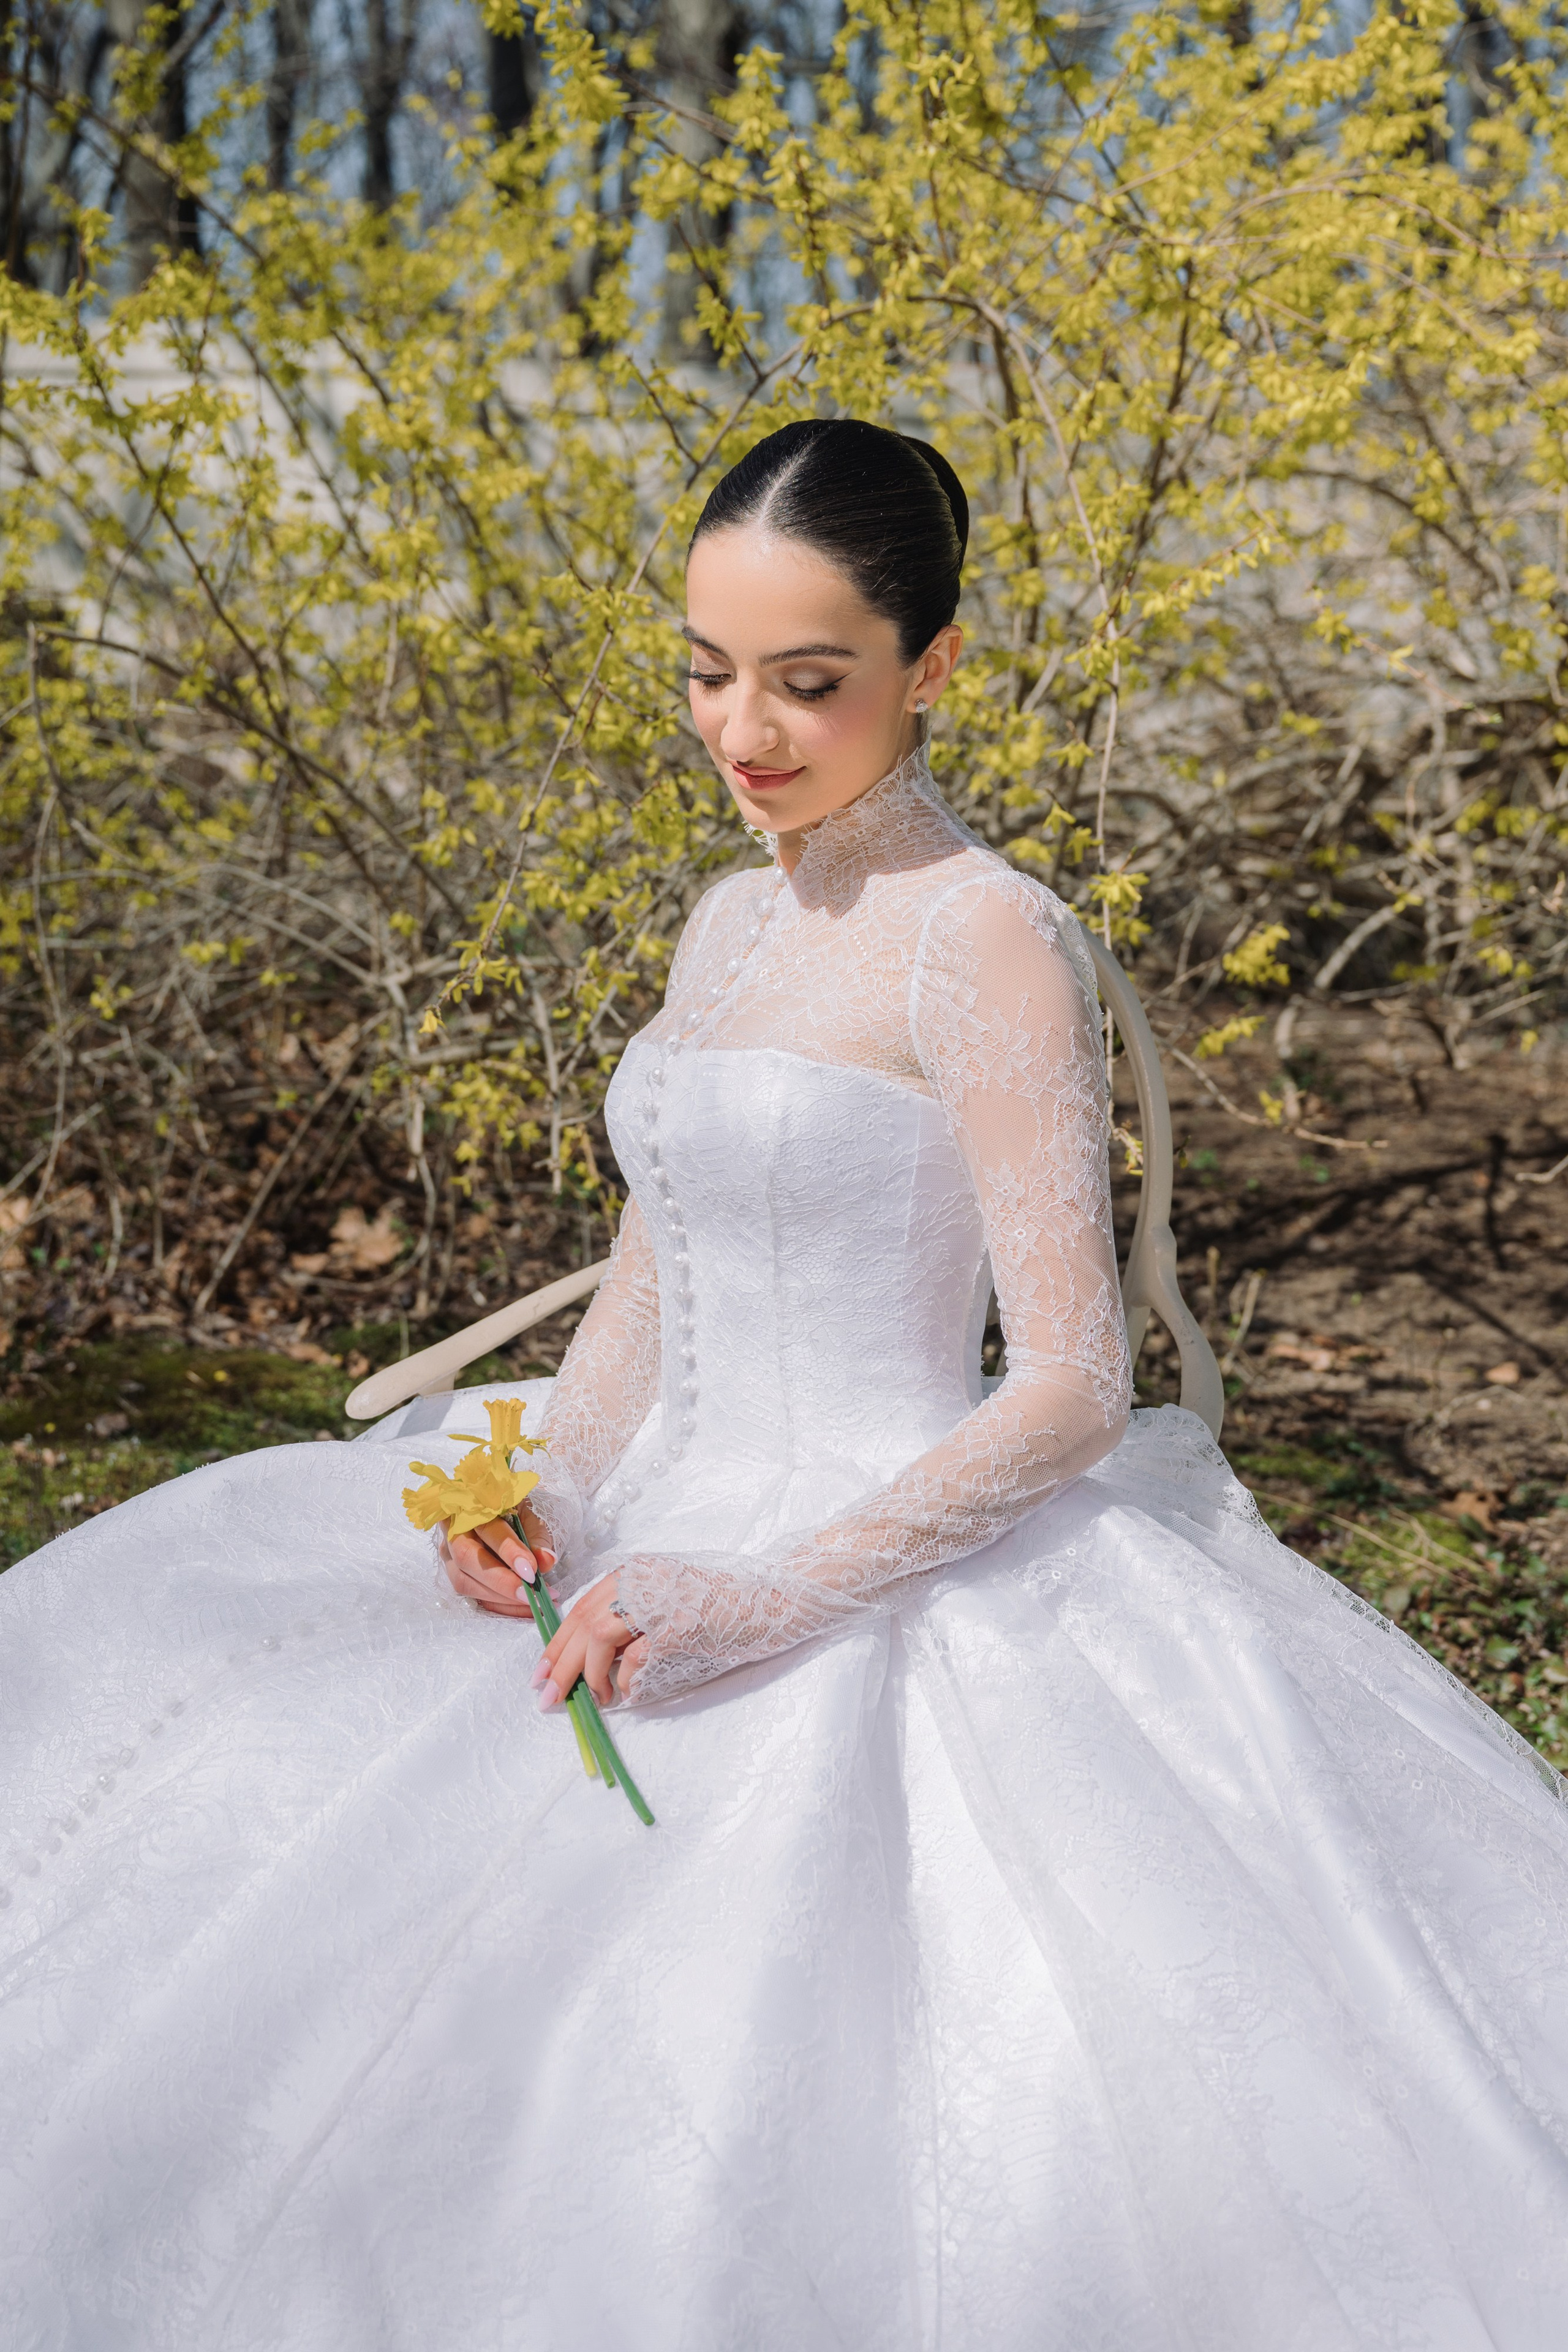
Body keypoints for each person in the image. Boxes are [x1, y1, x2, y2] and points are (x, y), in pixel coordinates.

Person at [2, 420, 1566, 2352]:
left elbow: (1075, 1380)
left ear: (935, 667)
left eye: (809, 683)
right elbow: (656, 1272)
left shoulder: (983, 935)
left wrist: (777, 1591)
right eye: (707, 669)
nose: (745, 729)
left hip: (888, 1544)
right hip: (644, 1516)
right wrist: (539, 1493)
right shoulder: (732, 914)